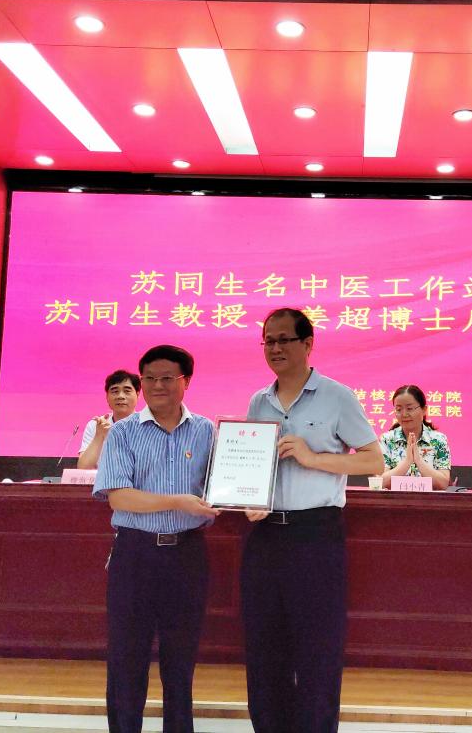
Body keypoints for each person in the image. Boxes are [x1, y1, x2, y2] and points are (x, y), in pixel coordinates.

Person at [241, 308, 382, 733]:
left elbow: (373, 461)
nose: (275, 348)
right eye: (268, 340)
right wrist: (248, 497)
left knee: (317, 649)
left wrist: (312, 457)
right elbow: (253, 465)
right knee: (265, 649)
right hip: (265, 535)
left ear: (307, 344)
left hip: (315, 534)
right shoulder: (258, 401)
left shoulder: (337, 396)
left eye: (284, 339)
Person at [92, 345, 219, 733]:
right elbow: (119, 496)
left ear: (186, 382)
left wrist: (249, 498)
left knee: (181, 660)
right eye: (149, 378)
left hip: (187, 554)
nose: (157, 385)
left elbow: (222, 486)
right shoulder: (123, 433)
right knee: (127, 658)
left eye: (167, 378)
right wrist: (177, 500)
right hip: (136, 553)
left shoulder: (206, 431)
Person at [379, 385, 451, 490]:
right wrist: (407, 462)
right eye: (399, 409)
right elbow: (380, 482)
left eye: (409, 408)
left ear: (424, 410)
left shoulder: (439, 440)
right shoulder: (387, 440)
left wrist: (418, 460)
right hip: (394, 499)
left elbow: (443, 483)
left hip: (429, 500)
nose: (404, 414)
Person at [77, 369, 141, 470]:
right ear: (107, 397)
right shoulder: (96, 425)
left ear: (137, 395)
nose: (120, 396)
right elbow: (83, 468)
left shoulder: (149, 425)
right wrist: (99, 436)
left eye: (127, 391)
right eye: (115, 391)